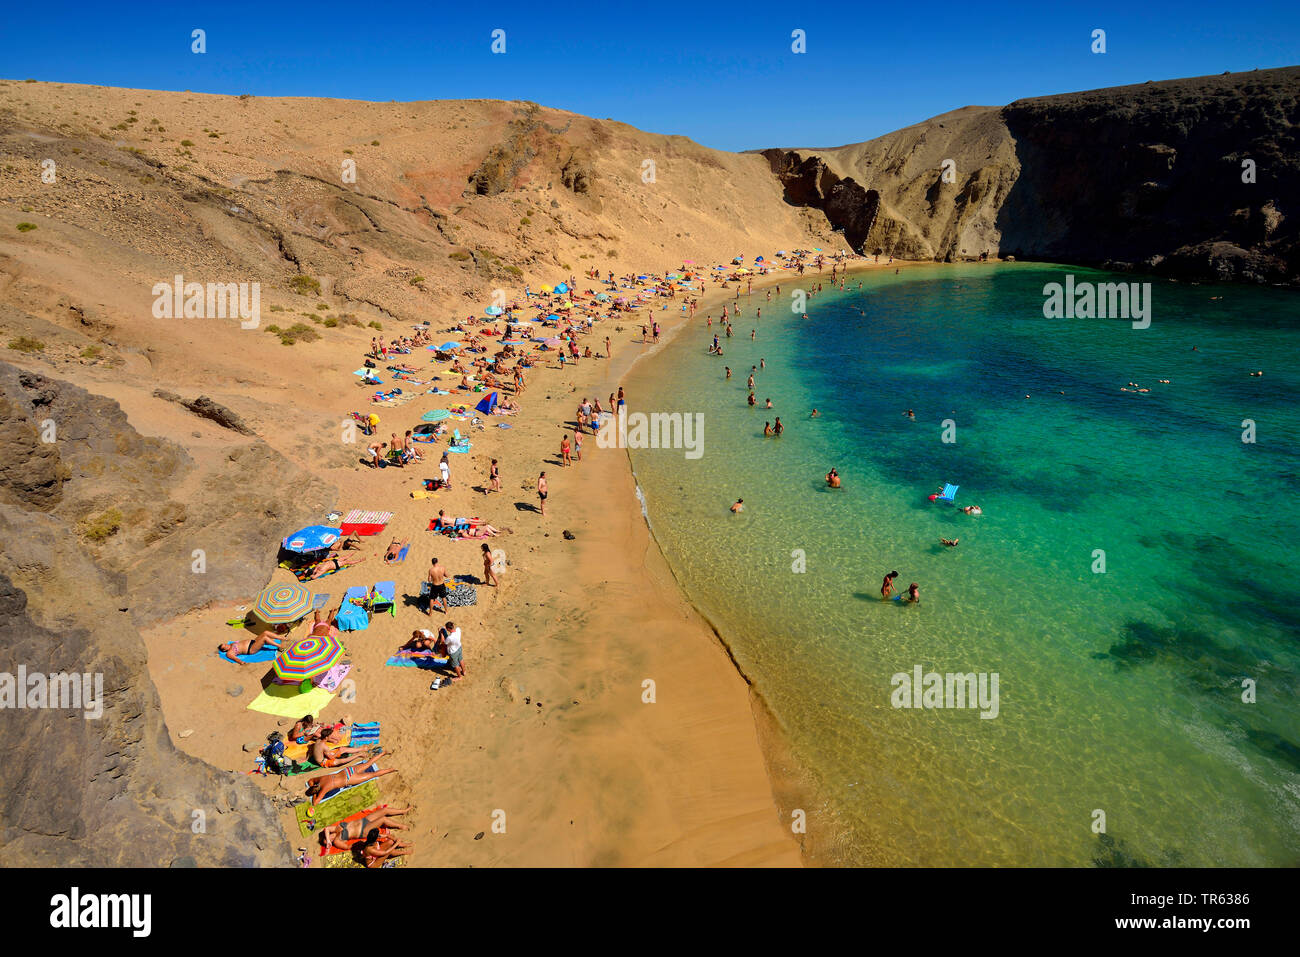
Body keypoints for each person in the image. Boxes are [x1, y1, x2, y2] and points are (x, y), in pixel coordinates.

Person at [304, 756, 396, 807]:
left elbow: (315, 803)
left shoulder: (324, 789)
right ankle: (383, 753)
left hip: (349, 779)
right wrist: (312, 787)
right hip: (347, 771)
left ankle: (391, 769)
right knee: (368, 764)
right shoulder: (320, 779)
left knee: (373, 774)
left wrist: (315, 794)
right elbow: (310, 781)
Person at [319, 807, 411, 852]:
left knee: (384, 810)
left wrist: (327, 840)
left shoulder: (335, 828)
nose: (330, 839)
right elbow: (347, 847)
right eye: (329, 841)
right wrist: (361, 845)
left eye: (328, 838)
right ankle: (400, 826)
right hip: (364, 830)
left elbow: (326, 829)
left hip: (364, 820)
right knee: (383, 819)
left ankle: (403, 811)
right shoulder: (337, 841)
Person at [218, 627, 284, 663]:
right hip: (251, 649)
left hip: (253, 642)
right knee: (265, 638)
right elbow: (235, 658)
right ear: (224, 650)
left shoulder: (232, 644)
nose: (226, 645)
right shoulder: (229, 653)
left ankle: (282, 638)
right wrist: (241, 662)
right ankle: (280, 646)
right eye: (225, 646)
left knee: (265, 632)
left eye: (225, 644)